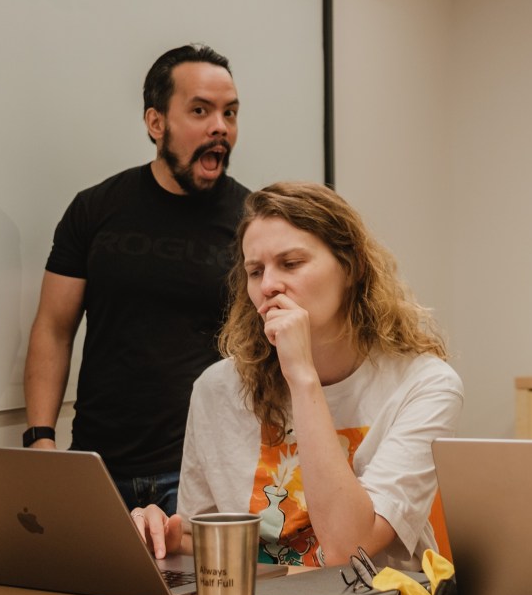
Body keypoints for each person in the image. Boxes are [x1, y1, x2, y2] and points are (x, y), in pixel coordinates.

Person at [137, 182, 464, 571]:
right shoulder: (216, 388)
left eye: (291, 264)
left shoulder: (425, 385)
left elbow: (349, 549)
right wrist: (172, 539)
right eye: (255, 271)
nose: (269, 285)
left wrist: (302, 376)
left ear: (353, 267)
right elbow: (213, 542)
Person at [22, 44, 250, 516]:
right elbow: (53, 328)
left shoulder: (255, 222)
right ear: (156, 123)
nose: (220, 127)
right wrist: (41, 439)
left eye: (229, 113)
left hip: (200, 474)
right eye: (200, 110)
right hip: (97, 465)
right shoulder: (95, 209)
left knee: (195, 593)